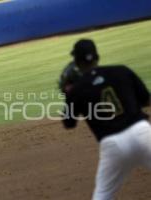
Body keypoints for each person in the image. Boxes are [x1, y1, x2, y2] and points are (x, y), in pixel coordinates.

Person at [62, 39, 151, 200]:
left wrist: (68, 95)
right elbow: (146, 99)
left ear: (76, 61)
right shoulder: (121, 71)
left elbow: (69, 123)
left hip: (113, 145)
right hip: (142, 132)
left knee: (102, 195)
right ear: (97, 56)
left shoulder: (77, 89)